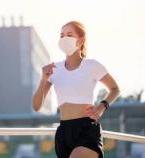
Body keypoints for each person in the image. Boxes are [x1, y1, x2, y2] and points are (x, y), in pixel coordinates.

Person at [32, 21, 120, 158]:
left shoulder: (92, 66)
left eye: (69, 34)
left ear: (81, 40)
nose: (64, 39)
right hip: (63, 132)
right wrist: (43, 79)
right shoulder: (54, 69)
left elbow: (115, 89)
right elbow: (36, 106)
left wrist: (102, 106)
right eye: (61, 35)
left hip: (86, 129)